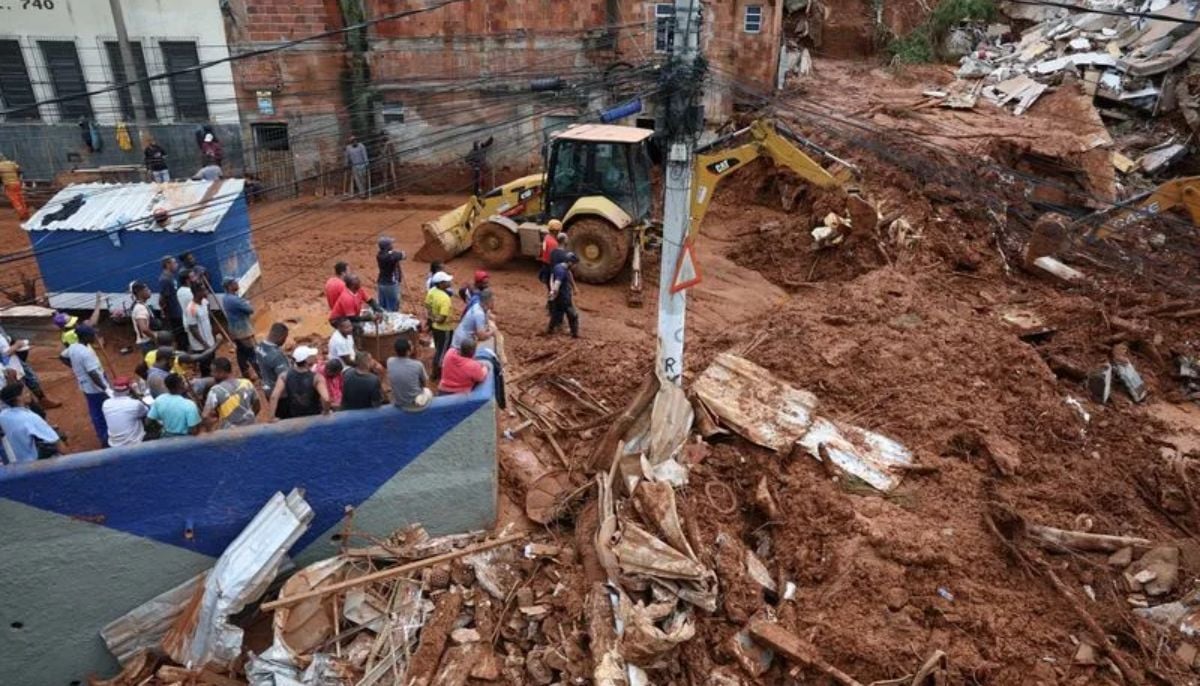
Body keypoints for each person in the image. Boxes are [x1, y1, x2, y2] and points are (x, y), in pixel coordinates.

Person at [63, 324, 110, 445]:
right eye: (92, 334)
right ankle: (105, 437)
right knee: (100, 411)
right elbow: (93, 373)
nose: (94, 336)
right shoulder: (85, 353)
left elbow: (62, 356)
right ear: (86, 336)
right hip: (95, 386)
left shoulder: (74, 347)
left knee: (97, 409)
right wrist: (105, 388)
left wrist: (75, 367)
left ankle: (104, 434)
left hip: (87, 384)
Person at [0, 383, 65, 464]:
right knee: (59, 437)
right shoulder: (31, 418)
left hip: (17, 462)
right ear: (18, 398)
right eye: (25, 392)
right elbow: (57, 442)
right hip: (36, 464)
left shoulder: (3, 415)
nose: (29, 394)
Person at [269, 346, 330, 420]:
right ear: (307, 360)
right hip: (314, 416)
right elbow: (326, 399)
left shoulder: (283, 376)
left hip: (295, 417)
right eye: (311, 356)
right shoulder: (317, 378)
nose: (314, 356)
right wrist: (326, 411)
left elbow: (274, 397)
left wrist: (272, 417)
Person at [202, 357, 260, 431]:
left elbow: (205, 415)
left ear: (221, 372)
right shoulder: (246, 383)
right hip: (250, 429)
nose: (212, 374)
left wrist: (210, 430)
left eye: (213, 372)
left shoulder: (215, 391)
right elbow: (257, 404)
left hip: (230, 433)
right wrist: (249, 418)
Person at [221, 277, 258, 380]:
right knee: (252, 353)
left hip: (235, 331)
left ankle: (246, 373)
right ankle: (260, 373)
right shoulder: (234, 300)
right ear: (229, 286)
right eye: (235, 283)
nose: (237, 284)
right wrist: (246, 303)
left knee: (241, 352)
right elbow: (250, 310)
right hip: (243, 331)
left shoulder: (226, 298)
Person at [256, 323, 292, 419]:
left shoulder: (259, 347)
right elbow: (285, 378)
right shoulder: (276, 356)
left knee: (278, 414)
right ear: (281, 337)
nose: (285, 341)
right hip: (281, 395)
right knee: (287, 419)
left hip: (267, 388)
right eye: (285, 338)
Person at [148, 373, 201, 438]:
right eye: (183, 383)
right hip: (185, 439)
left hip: (165, 437)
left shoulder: (159, 399)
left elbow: (148, 421)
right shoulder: (189, 404)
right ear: (181, 385)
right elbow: (193, 430)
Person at [425, 271, 456, 380]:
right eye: (447, 281)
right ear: (441, 283)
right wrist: (436, 320)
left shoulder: (432, 291)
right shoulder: (445, 298)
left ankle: (436, 371)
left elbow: (427, 306)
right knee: (442, 352)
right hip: (444, 329)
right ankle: (437, 373)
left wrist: (431, 319)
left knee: (438, 348)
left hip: (435, 328)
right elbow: (442, 319)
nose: (449, 282)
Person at [102, 376, 148, 447]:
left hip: (113, 444)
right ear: (129, 390)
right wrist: (137, 396)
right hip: (134, 444)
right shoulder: (135, 404)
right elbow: (146, 411)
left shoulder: (105, 403)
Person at [388, 337, 432, 410]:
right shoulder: (418, 365)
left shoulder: (390, 362)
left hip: (398, 403)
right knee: (428, 391)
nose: (413, 346)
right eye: (411, 345)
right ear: (408, 351)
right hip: (416, 404)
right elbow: (425, 384)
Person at [184, 281, 216, 377]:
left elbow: (209, 319)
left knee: (213, 365)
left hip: (210, 342)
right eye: (204, 290)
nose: (206, 292)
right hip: (200, 346)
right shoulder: (191, 308)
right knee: (205, 368)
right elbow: (193, 329)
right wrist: (204, 344)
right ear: (197, 292)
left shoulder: (205, 302)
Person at [548, 252, 580, 338]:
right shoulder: (562, 271)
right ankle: (574, 333)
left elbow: (552, 278)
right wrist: (554, 292)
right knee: (573, 315)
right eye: (574, 264)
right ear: (570, 263)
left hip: (559, 296)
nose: (575, 266)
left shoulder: (559, 267)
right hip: (563, 297)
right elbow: (557, 283)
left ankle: (550, 329)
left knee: (556, 313)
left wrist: (552, 294)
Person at [158, 256, 187, 349]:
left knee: (183, 334)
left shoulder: (171, 277)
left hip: (178, 310)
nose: (176, 265)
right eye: (174, 263)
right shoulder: (164, 279)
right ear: (168, 264)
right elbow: (163, 297)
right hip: (174, 313)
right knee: (180, 336)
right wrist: (164, 311)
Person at [376, 237, 405, 312]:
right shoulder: (391, 256)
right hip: (390, 284)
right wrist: (394, 252)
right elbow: (403, 255)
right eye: (390, 244)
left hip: (381, 283)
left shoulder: (379, 255)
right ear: (387, 246)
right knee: (393, 307)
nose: (392, 245)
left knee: (382, 306)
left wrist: (392, 252)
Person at [0, 153, 30, 220]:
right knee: (20, 198)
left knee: (15, 200)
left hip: (8, 185)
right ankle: (26, 213)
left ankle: (22, 214)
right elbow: (19, 170)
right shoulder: (12, 163)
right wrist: (18, 178)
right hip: (17, 183)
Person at [130, 281, 157, 354]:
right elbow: (144, 328)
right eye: (146, 289)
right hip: (147, 343)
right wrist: (155, 337)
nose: (149, 291)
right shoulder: (140, 308)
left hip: (147, 342)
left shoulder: (141, 305)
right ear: (140, 293)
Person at [538, 221, 560, 287]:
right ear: (556, 231)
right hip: (550, 266)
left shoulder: (546, 237)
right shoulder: (553, 243)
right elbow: (553, 257)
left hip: (545, 264)